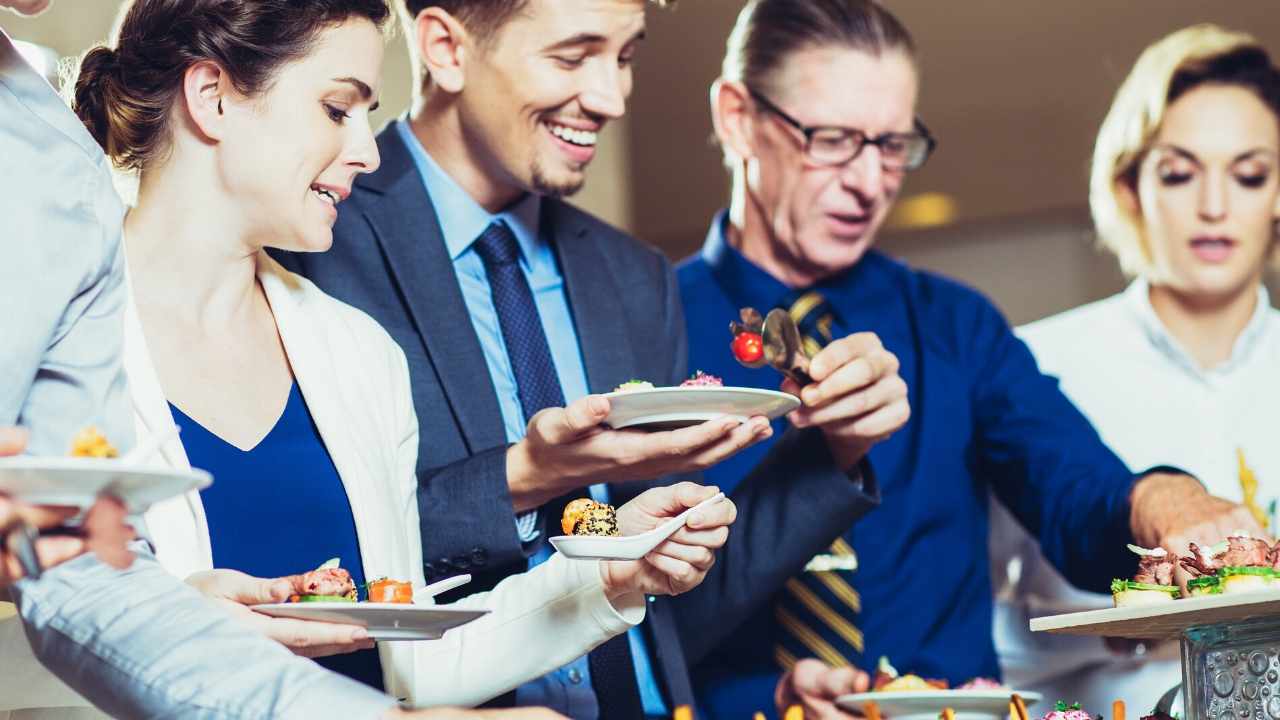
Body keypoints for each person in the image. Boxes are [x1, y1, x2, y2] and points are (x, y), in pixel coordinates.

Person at [276, 0, 905, 717]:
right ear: (446, 48)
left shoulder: (635, 276)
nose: (612, 98)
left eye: (626, 57)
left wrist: (832, 450)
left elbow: (672, 595)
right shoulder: (312, 242)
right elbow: (308, 568)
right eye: (573, 57)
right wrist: (524, 481)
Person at [673, 2, 1265, 718]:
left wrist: (1168, 502)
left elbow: (1077, 488)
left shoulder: (957, 325)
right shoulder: (640, 321)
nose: (869, 182)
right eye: (832, 140)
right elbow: (613, 602)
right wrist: (758, 696)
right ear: (737, 117)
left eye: (892, 145)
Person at [2, 5, 523, 717]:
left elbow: (411, 655)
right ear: (213, 96)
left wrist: (606, 586)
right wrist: (179, 624)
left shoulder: (361, 353)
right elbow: (59, 591)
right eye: (337, 108)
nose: (369, 153)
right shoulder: (59, 282)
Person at [990, 24, 1280, 713]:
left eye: (1249, 174)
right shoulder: (1032, 366)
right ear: (1129, 185)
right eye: (1179, 172)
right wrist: (1129, 630)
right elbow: (976, 625)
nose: (1214, 206)